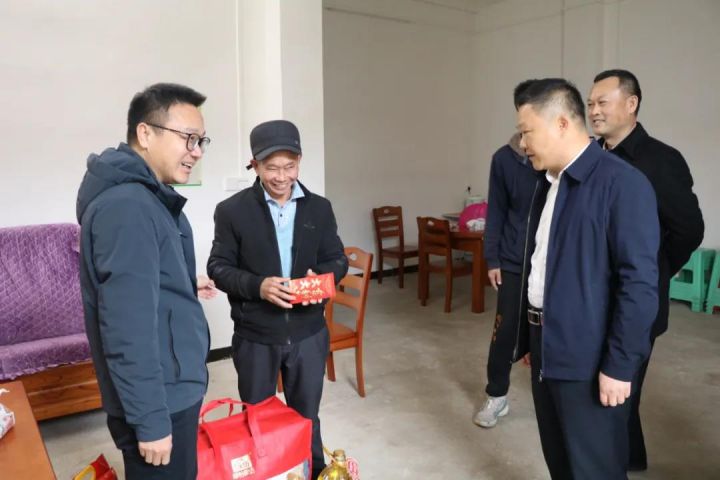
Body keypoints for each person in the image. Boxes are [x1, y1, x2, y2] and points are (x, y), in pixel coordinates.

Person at [514, 78, 660, 479]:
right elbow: (542, 264)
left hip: (590, 358)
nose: (523, 144)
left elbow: (639, 286)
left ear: (561, 123)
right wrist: (531, 337)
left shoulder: (621, 184)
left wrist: (620, 366)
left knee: (595, 467)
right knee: (560, 459)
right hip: (546, 344)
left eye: (527, 132)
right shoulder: (548, 183)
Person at [76, 83, 216, 479]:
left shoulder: (146, 197)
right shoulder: (128, 206)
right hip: (161, 402)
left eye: (201, 141)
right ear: (145, 134)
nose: (197, 151)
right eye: (188, 138)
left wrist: (182, 283)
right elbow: (126, 328)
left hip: (171, 386)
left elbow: (139, 282)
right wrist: (151, 420)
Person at [207, 119, 348, 478]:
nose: (282, 177)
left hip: (308, 335)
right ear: (254, 164)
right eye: (272, 168)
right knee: (257, 420)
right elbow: (218, 268)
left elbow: (338, 258)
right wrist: (259, 286)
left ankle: (313, 471)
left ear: (299, 162)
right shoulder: (232, 211)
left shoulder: (319, 208)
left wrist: (323, 277)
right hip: (256, 337)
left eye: (290, 166)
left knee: (307, 418)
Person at [588, 69, 704, 471]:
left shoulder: (660, 160)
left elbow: (688, 229)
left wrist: (655, 270)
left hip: (634, 299)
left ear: (631, 103)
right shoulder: (591, 156)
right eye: (590, 103)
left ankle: (615, 463)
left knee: (621, 386)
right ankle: (630, 458)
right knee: (607, 390)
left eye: (603, 102)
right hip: (591, 297)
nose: (594, 110)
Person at [474, 118, 544, 428]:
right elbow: (497, 212)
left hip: (553, 265)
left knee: (550, 335)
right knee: (504, 332)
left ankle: (552, 402)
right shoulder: (504, 159)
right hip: (513, 262)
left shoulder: (560, 160)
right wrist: (492, 259)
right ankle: (497, 395)